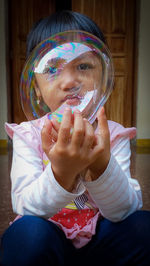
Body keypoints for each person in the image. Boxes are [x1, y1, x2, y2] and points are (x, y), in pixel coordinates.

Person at [0, 10, 150, 266]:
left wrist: (101, 165)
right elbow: (25, 208)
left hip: (102, 240)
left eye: (83, 66)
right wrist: (61, 173)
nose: (70, 82)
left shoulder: (113, 135)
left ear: (103, 78)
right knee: (25, 235)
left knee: (143, 226)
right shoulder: (28, 135)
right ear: (36, 87)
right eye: (52, 69)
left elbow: (124, 209)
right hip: (49, 239)